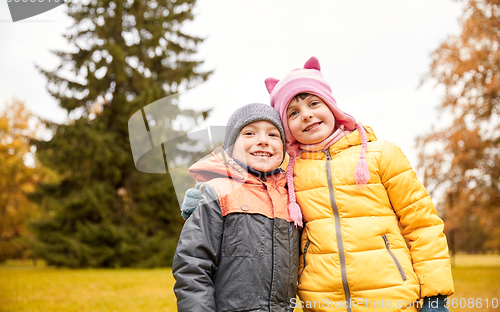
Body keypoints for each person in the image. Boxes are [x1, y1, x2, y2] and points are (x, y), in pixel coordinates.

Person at [263, 56, 454, 312]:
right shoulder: (289, 172)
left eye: (313, 103)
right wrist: (209, 198)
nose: (306, 115)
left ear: (331, 106)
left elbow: (422, 224)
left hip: (392, 301)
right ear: (286, 126)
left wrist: (435, 295)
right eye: (293, 112)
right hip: (322, 304)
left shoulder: (381, 154)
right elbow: (249, 190)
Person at [172, 103, 300, 312]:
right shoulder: (216, 193)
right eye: (249, 133)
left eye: (273, 135)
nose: (263, 140)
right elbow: (193, 266)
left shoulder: (291, 198)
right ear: (231, 147)